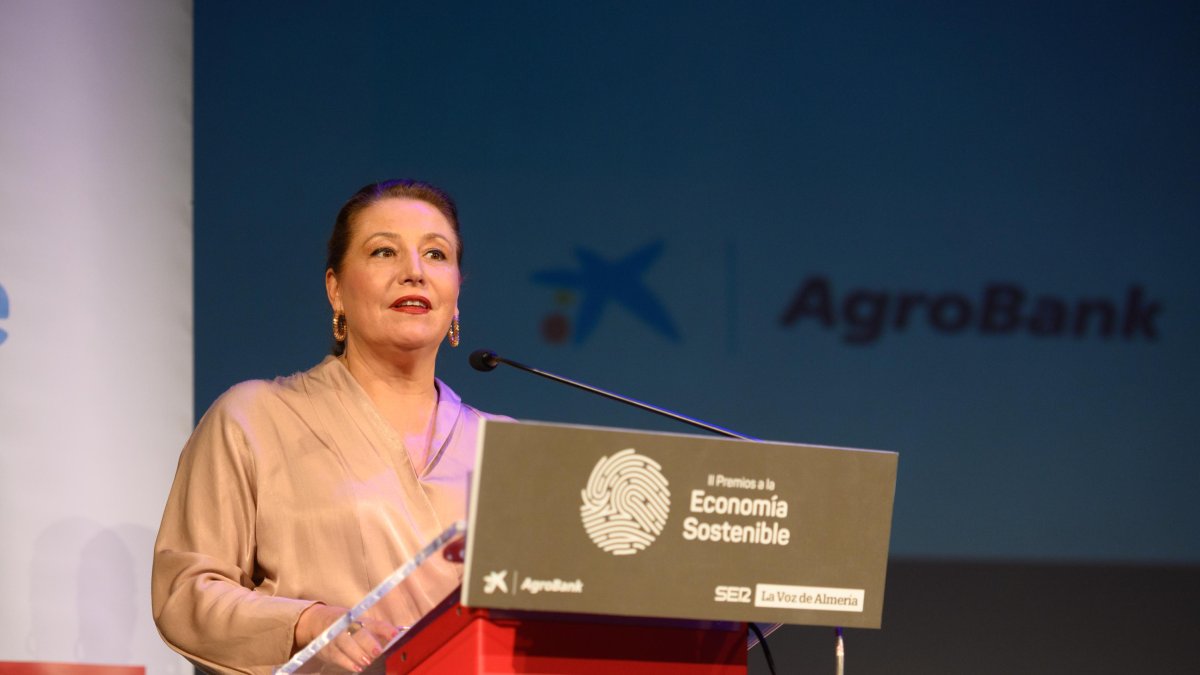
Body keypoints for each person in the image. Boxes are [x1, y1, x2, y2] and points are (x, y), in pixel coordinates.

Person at [152, 179, 508, 674]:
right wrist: (304, 623)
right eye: (384, 251)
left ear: (456, 295)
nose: (414, 272)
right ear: (335, 288)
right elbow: (184, 591)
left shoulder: (505, 449)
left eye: (436, 254)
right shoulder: (255, 416)